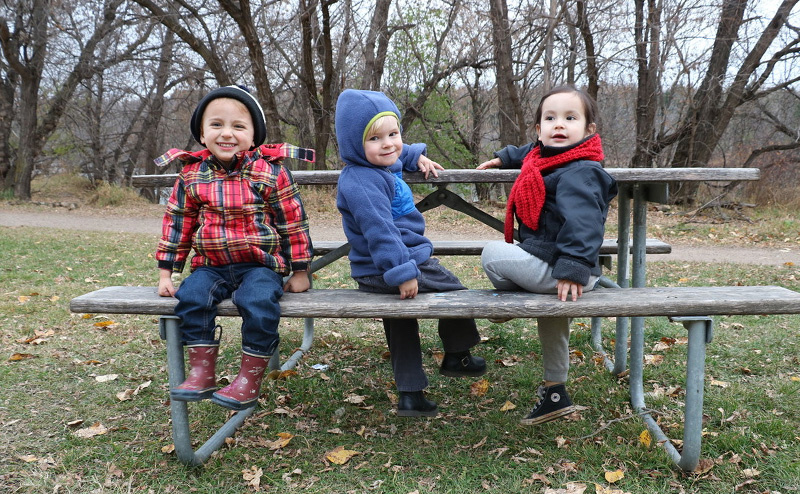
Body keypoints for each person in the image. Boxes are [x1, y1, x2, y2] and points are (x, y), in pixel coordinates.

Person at [155, 85, 315, 411]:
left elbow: (293, 222)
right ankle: (202, 372)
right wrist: (166, 272)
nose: (227, 133)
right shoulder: (191, 175)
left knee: (257, 301)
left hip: (259, 265)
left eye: (238, 126)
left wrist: (300, 271)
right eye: (216, 125)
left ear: (254, 136)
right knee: (192, 297)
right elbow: (177, 223)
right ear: (201, 134)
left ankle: (249, 378)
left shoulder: (270, 172)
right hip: (210, 265)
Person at [335, 88, 486, 417]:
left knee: (401, 321)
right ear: (353, 144)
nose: (388, 143)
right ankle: (457, 354)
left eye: (394, 133)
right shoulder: (363, 182)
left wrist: (415, 154)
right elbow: (381, 231)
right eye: (376, 138)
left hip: (375, 271)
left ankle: (411, 395)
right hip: (397, 263)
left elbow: (395, 154)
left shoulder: (374, 166)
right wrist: (402, 273)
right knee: (457, 292)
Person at [477, 84, 618, 425]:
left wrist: (572, 268)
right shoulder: (547, 158)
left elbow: (584, 223)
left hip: (568, 265)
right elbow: (531, 151)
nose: (559, 125)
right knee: (553, 317)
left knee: (492, 253)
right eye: (550, 118)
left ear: (589, 130)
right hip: (562, 265)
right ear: (539, 130)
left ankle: (514, 300)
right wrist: (505, 157)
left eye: (570, 118)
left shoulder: (582, 171)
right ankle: (556, 392)